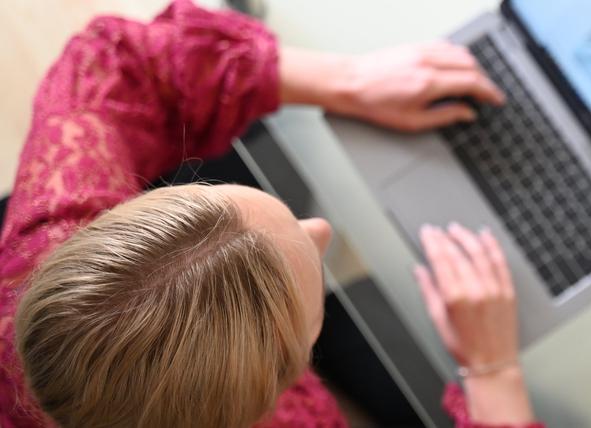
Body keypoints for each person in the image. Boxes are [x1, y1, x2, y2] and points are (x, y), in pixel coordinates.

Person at [0, 1, 542, 427]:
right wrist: (494, 373)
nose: (319, 230)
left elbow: (116, 59)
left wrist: (349, 80)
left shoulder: (49, 241)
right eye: (305, 321)